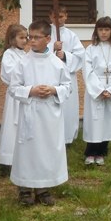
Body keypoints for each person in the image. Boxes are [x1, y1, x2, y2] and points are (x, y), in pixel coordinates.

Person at [9, 20, 71, 206]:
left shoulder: (57, 63)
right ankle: (25, 189)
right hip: (31, 112)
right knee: (29, 151)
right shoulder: (23, 62)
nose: (32, 41)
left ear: (48, 39)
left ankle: (44, 188)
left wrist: (53, 90)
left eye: (37, 37)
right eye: (30, 37)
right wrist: (31, 91)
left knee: (47, 150)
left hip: (50, 114)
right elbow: (13, 88)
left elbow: (67, 87)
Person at [83, 16, 111, 166]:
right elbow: (87, 71)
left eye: (106, 29)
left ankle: (102, 151)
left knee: (107, 121)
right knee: (95, 121)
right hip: (95, 89)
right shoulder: (90, 49)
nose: (103, 33)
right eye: (100, 29)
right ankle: (90, 152)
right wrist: (99, 90)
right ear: (96, 31)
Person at [48, 7, 85, 144]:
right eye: (55, 17)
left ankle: (67, 137)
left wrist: (65, 56)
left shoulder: (71, 35)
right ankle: (51, 137)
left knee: (68, 107)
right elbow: (38, 50)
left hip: (67, 76)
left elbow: (80, 55)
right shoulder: (46, 33)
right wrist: (52, 47)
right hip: (50, 76)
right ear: (50, 17)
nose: (58, 20)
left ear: (66, 16)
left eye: (61, 16)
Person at [0, 23, 28, 167]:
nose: (25, 40)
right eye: (21, 37)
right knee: (13, 126)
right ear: (12, 39)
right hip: (15, 96)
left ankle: (25, 158)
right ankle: (11, 159)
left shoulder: (26, 54)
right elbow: (10, 74)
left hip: (26, 94)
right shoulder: (9, 55)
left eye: (26, 37)